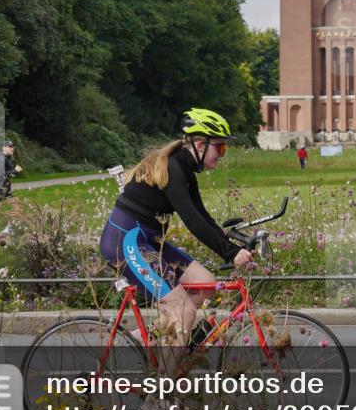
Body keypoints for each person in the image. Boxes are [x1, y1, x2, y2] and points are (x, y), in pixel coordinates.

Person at [99, 108, 253, 359]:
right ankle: (161, 395)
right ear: (200, 144)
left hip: (147, 241)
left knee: (206, 282)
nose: (222, 155)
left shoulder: (185, 170)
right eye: (220, 148)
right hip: (124, 242)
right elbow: (193, 222)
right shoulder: (173, 168)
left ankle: (137, 342)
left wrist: (235, 244)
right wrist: (231, 253)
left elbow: (203, 217)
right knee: (184, 312)